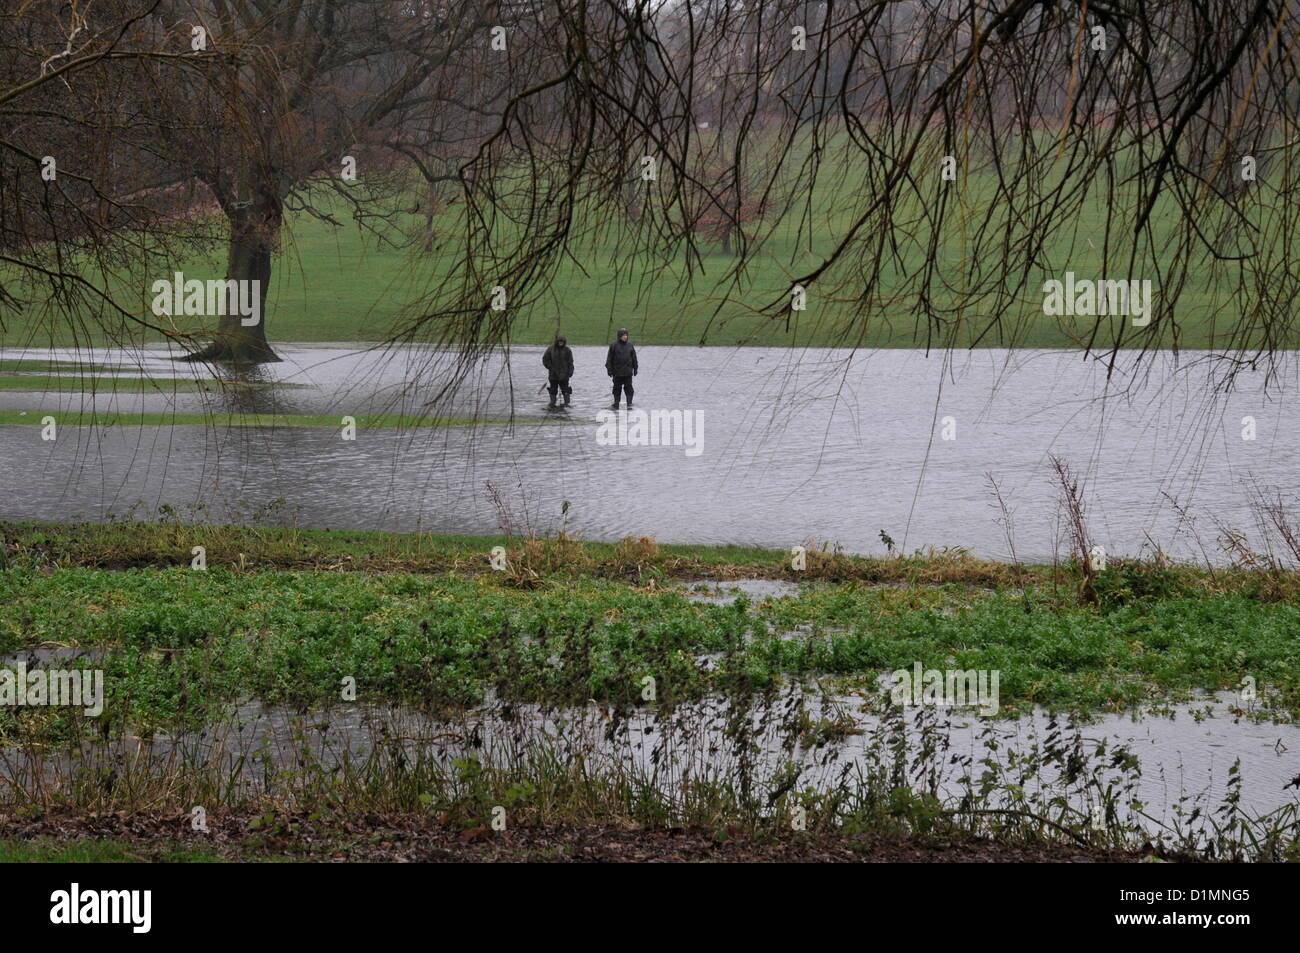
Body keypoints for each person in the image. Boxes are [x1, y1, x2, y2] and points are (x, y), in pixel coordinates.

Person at [605, 327, 638, 409]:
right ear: (619, 336)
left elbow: (634, 358)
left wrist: (635, 368)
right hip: (617, 373)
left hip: (628, 373)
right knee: (616, 388)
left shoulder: (630, 345)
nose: (625, 337)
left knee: (629, 388)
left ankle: (629, 403)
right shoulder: (613, 346)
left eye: (626, 335)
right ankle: (616, 404)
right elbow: (609, 359)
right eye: (623, 335)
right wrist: (609, 370)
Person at [542, 333, 574, 407]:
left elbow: (570, 362)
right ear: (557, 341)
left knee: (566, 391)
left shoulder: (567, 350)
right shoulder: (550, 349)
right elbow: (545, 360)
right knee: (553, 390)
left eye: (562, 342)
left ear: (564, 342)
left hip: (565, 375)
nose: (560, 343)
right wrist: (551, 368)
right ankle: (552, 404)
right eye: (559, 341)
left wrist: (570, 372)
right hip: (553, 375)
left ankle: (566, 405)